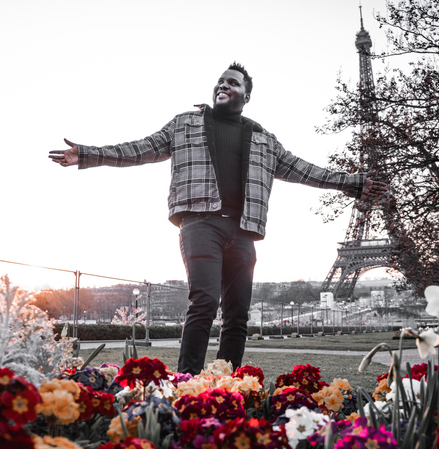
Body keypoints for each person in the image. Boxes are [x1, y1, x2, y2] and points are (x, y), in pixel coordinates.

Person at [49, 62, 388, 375]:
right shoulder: (184, 123)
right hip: (200, 223)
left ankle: (226, 384)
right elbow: (140, 149)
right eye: (220, 81)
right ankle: (187, 380)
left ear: (246, 95)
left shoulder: (265, 140)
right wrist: (88, 155)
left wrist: (356, 182)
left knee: (238, 314)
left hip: (243, 231)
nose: (223, 85)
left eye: (233, 82)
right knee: (205, 300)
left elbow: (306, 170)